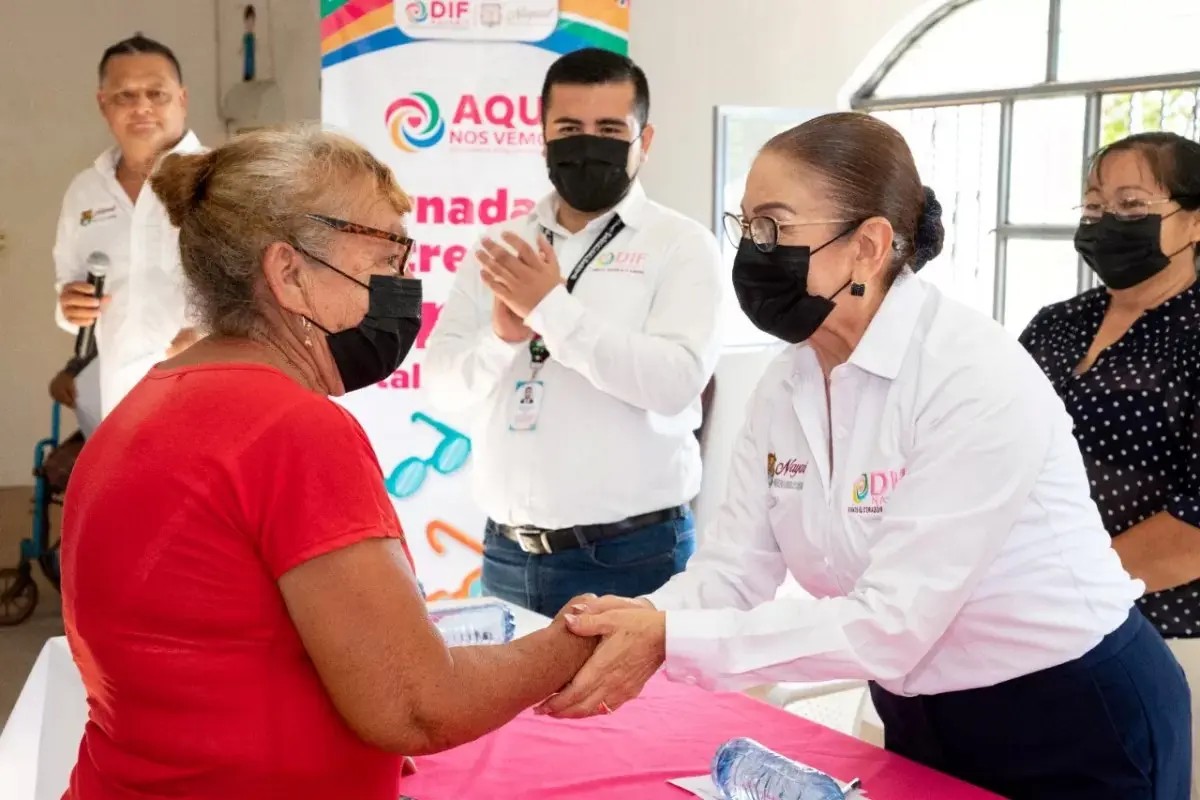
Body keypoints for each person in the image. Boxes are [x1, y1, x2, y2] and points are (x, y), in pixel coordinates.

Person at [536, 113, 1191, 798]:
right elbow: (731, 573)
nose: (753, 253)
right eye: (746, 226)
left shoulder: (968, 374)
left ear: (868, 246)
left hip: (1071, 715)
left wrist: (669, 638)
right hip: (918, 714)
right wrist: (628, 625)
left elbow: (890, 624)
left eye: (775, 228)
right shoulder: (786, 382)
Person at [60, 126, 596, 800]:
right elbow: (418, 705)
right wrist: (581, 638)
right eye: (389, 259)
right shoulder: (292, 429)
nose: (407, 288)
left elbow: (220, 654)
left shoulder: (146, 405)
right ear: (288, 273)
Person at [424, 48, 722, 617]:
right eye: (569, 128)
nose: (589, 144)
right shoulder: (502, 246)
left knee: (642, 711)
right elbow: (441, 388)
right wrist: (501, 339)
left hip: (632, 555)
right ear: (542, 137)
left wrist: (551, 309)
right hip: (506, 555)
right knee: (514, 711)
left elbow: (675, 383)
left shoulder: (681, 246)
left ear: (645, 140)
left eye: (610, 129)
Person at [1020, 131, 1200, 797]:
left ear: (1195, 220)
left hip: (1164, 637)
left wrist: (1062, 590)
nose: (1105, 223)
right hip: (1032, 627)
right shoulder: (1055, 325)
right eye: (1094, 207)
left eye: (1130, 206)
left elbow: (1194, 530)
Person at [53, 33, 203, 420]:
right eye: (125, 95)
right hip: (121, 404)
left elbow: (267, 293)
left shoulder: (220, 178)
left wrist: (209, 336)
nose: (142, 107)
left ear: (182, 99)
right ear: (103, 104)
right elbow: (68, 292)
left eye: (157, 93)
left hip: (207, 391)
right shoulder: (84, 191)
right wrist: (69, 307)